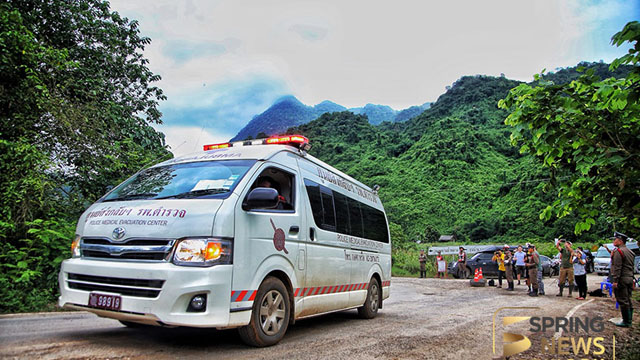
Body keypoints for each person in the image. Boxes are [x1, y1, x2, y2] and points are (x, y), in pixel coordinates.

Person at [610, 232, 635, 327]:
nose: (613, 241)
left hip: (622, 279)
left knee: (622, 299)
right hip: (629, 278)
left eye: (615, 239)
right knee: (628, 299)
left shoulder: (619, 252)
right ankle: (629, 319)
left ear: (620, 241)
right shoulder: (630, 251)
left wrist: (615, 281)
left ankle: (626, 321)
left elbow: (617, 267)